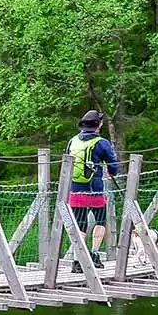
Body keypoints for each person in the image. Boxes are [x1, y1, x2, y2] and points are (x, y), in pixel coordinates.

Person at [67, 110, 119, 265]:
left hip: (75, 189)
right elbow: (113, 165)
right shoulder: (102, 142)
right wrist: (111, 172)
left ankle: (77, 260)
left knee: (80, 224)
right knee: (101, 220)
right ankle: (95, 254)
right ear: (98, 125)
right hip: (94, 189)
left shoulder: (73, 141)